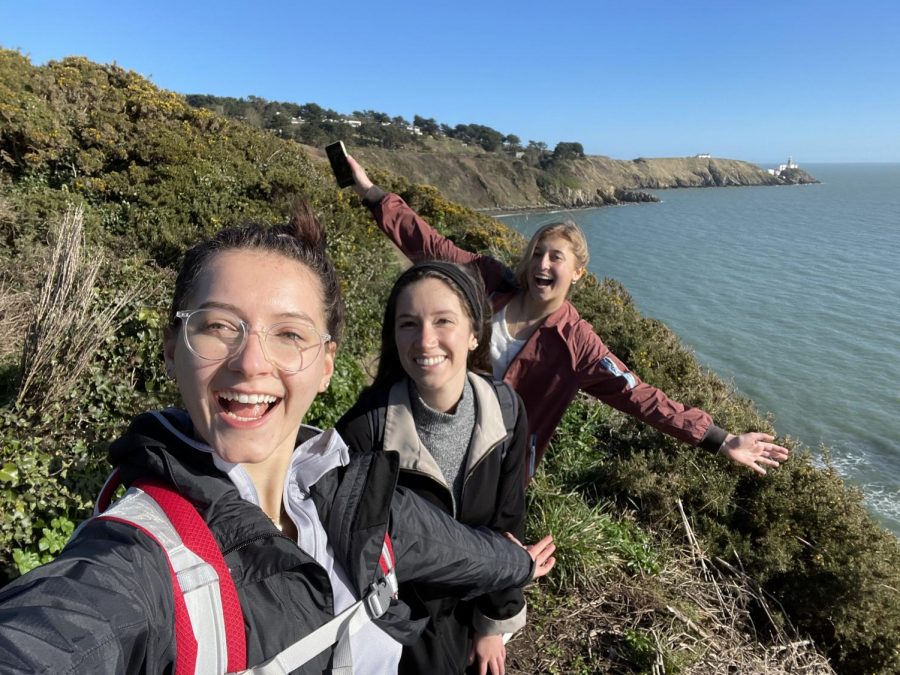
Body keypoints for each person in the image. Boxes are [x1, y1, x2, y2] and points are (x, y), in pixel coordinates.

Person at [0, 201, 556, 674]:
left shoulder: (349, 491)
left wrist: (519, 571)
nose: (251, 363)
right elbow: (53, 635)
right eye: (219, 325)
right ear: (173, 346)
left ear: (326, 364)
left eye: (289, 333)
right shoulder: (137, 565)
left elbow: (451, 546)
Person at [343, 156, 790, 479]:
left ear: (577, 272)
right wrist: (372, 193)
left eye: (556, 257)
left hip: (494, 468)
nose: (542, 263)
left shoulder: (578, 344)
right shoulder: (490, 282)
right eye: (537, 252)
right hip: (433, 430)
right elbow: (429, 244)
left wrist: (720, 438)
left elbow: (642, 397)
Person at [337, 261, 527, 675]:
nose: (425, 340)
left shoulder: (506, 411)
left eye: (443, 321)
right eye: (408, 324)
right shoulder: (364, 430)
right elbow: (356, 556)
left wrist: (493, 623)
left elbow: (508, 522)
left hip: (471, 608)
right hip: (396, 624)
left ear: (474, 332)